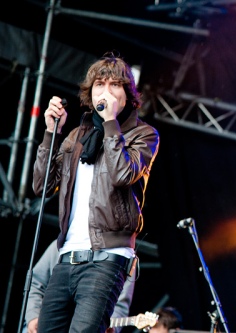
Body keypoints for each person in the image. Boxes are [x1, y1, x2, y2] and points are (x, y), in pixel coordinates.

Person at [32, 51, 160, 332]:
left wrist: (112, 123)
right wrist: (51, 133)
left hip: (106, 258)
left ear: (127, 93)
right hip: (66, 258)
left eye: (115, 85)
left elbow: (122, 174)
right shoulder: (77, 136)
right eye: (99, 84)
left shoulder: (143, 134)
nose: (107, 91)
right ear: (90, 93)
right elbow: (42, 186)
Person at [23, 240, 135, 333]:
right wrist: (33, 316)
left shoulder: (122, 258)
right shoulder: (63, 246)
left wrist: (113, 327)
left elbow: (120, 305)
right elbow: (35, 282)